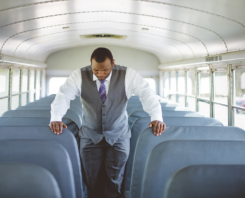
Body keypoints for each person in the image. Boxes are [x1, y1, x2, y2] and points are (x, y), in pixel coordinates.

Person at [50, 47, 166, 198]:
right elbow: (63, 95)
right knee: (91, 178)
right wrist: (56, 117)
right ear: (90, 64)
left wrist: (156, 116)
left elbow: (146, 93)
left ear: (113, 62)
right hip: (90, 135)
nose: (100, 74)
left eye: (105, 70)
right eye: (96, 70)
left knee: (115, 179)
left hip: (119, 135)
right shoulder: (79, 75)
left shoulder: (128, 75)